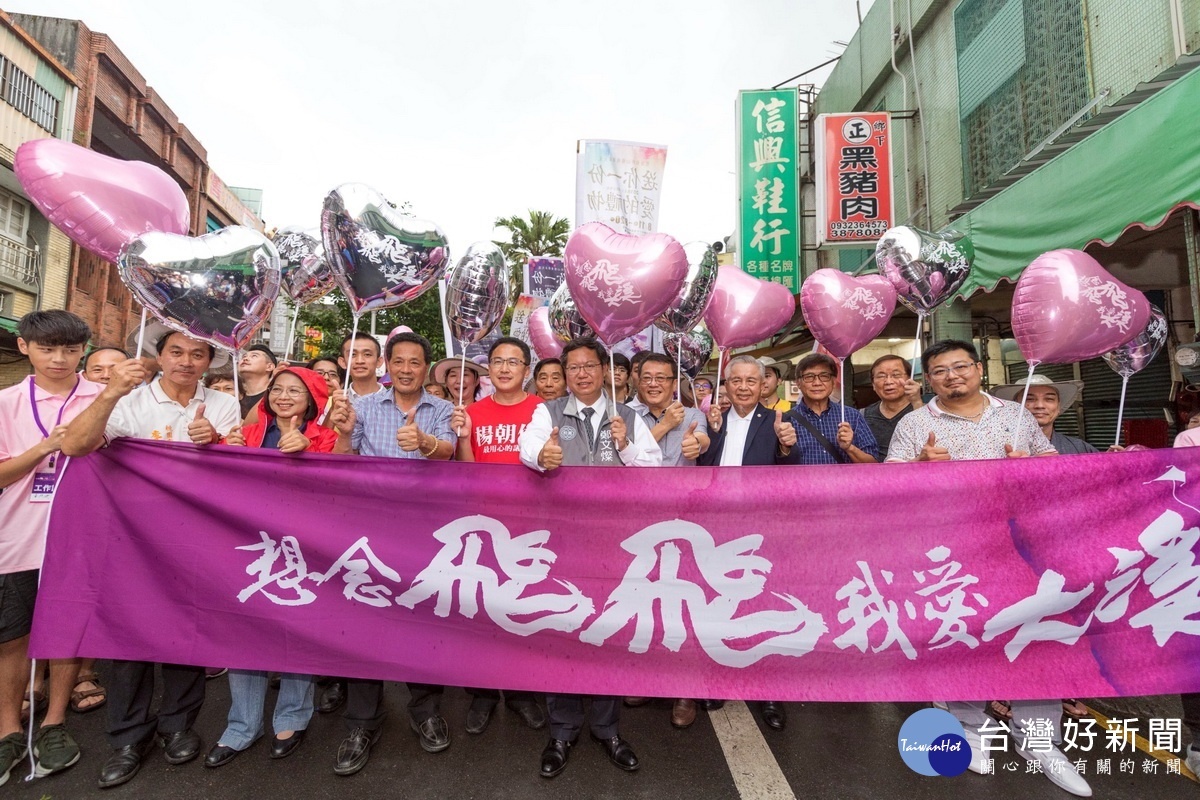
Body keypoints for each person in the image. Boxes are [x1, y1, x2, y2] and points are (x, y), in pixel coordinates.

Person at [883, 341, 1086, 796]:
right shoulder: (915, 425)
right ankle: (969, 729)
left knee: (1033, 636)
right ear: (929, 379)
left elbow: (1052, 469)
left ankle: (1039, 739)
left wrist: (1029, 466)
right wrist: (918, 466)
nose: (952, 376)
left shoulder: (1017, 416)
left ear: (978, 369)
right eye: (940, 371)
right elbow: (888, 485)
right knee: (964, 636)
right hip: (953, 551)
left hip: (1022, 548)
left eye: (960, 367)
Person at [60, 329, 240, 790]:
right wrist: (114, 391)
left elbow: (237, 469)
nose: (185, 361)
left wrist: (217, 442)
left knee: (187, 632)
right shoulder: (130, 400)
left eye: (196, 354)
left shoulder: (223, 404)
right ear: (158, 357)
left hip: (197, 539)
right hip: (132, 539)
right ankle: (126, 738)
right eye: (175, 352)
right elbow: (76, 445)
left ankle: (177, 725)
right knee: (131, 639)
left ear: (208, 362)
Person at [518, 337, 661, 778]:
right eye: (573, 368)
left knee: (609, 633)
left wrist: (628, 446)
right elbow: (528, 448)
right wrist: (541, 456)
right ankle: (562, 730)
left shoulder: (629, 415)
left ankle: (607, 726)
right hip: (562, 544)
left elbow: (654, 471)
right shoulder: (548, 411)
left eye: (588, 366)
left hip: (616, 545)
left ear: (605, 370)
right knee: (562, 631)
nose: (581, 374)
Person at [329, 332, 455, 775]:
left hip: (423, 535)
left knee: (421, 623)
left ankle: (425, 710)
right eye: (398, 361)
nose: (406, 369)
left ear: (425, 367)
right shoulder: (361, 408)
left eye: (415, 362)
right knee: (363, 625)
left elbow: (449, 452)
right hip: (367, 534)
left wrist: (423, 443)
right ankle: (363, 722)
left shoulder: (441, 410)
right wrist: (344, 437)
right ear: (387, 364)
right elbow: (342, 461)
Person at [204, 367, 336, 769]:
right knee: (244, 631)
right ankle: (241, 726)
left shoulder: (327, 437)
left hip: (304, 549)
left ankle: (292, 717)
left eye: (294, 390)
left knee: (298, 630)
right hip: (248, 546)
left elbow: (339, 489)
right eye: (277, 388)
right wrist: (220, 447)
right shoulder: (245, 433)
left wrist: (310, 453)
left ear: (311, 400)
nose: (283, 395)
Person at [0, 311, 102, 783]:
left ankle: (55, 721)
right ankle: (7, 731)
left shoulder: (104, 396)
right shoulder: (6, 403)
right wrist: (45, 448)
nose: (59, 359)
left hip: (81, 538)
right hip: (17, 537)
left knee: (64, 632)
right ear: (25, 348)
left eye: (69, 349)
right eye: (47, 349)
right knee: (12, 638)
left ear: (83, 349)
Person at [449, 337, 548, 735]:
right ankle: (484, 693)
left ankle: (522, 691)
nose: (505, 368)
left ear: (527, 370)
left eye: (514, 362)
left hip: (530, 526)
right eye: (497, 362)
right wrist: (461, 436)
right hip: (483, 526)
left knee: (522, 611)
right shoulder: (470, 411)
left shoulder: (541, 410)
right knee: (482, 611)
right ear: (488, 369)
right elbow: (465, 473)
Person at [697, 355, 799, 731]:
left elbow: (793, 475)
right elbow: (701, 468)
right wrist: (705, 439)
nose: (742, 387)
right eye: (734, 381)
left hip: (761, 527)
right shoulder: (712, 419)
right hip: (717, 526)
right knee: (718, 602)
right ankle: (717, 678)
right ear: (726, 385)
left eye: (750, 381)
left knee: (762, 604)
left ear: (763, 385)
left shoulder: (778, 421)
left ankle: (768, 689)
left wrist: (788, 447)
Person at [626, 352, 709, 728]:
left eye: (662, 377)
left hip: (683, 526)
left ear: (674, 382)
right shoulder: (622, 415)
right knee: (642, 604)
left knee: (683, 606)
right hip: (637, 524)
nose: (655, 383)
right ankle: (645, 676)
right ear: (637, 380)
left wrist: (697, 446)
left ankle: (684, 688)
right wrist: (660, 430)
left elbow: (702, 442)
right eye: (648, 377)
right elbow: (617, 462)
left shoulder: (692, 415)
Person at [785, 353, 879, 465]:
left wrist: (849, 448)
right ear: (798, 383)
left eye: (824, 376)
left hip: (844, 482)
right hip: (804, 482)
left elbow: (873, 464)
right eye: (809, 377)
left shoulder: (852, 416)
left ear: (834, 382)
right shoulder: (787, 420)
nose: (817, 383)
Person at [992, 374, 1099, 455]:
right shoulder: (995, 447)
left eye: (1049, 399)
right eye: (1029, 399)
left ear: (1058, 407)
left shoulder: (1079, 449)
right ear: (1014, 406)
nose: (1040, 405)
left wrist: (1110, 460)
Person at [861, 354, 924, 460]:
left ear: (910, 379)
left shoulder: (929, 412)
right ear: (873, 384)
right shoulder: (862, 416)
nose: (889, 382)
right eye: (881, 376)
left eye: (896, 375)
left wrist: (917, 402)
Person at [338, 332, 385, 403]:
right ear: (343, 362)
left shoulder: (397, 400)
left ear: (379, 361)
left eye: (367, 354)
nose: (360, 361)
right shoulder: (335, 402)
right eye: (353, 355)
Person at [237, 344, 278, 417]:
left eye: (254, 356)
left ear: (269, 366)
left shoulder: (276, 397)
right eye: (244, 356)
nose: (245, 359)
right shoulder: (234, 399)